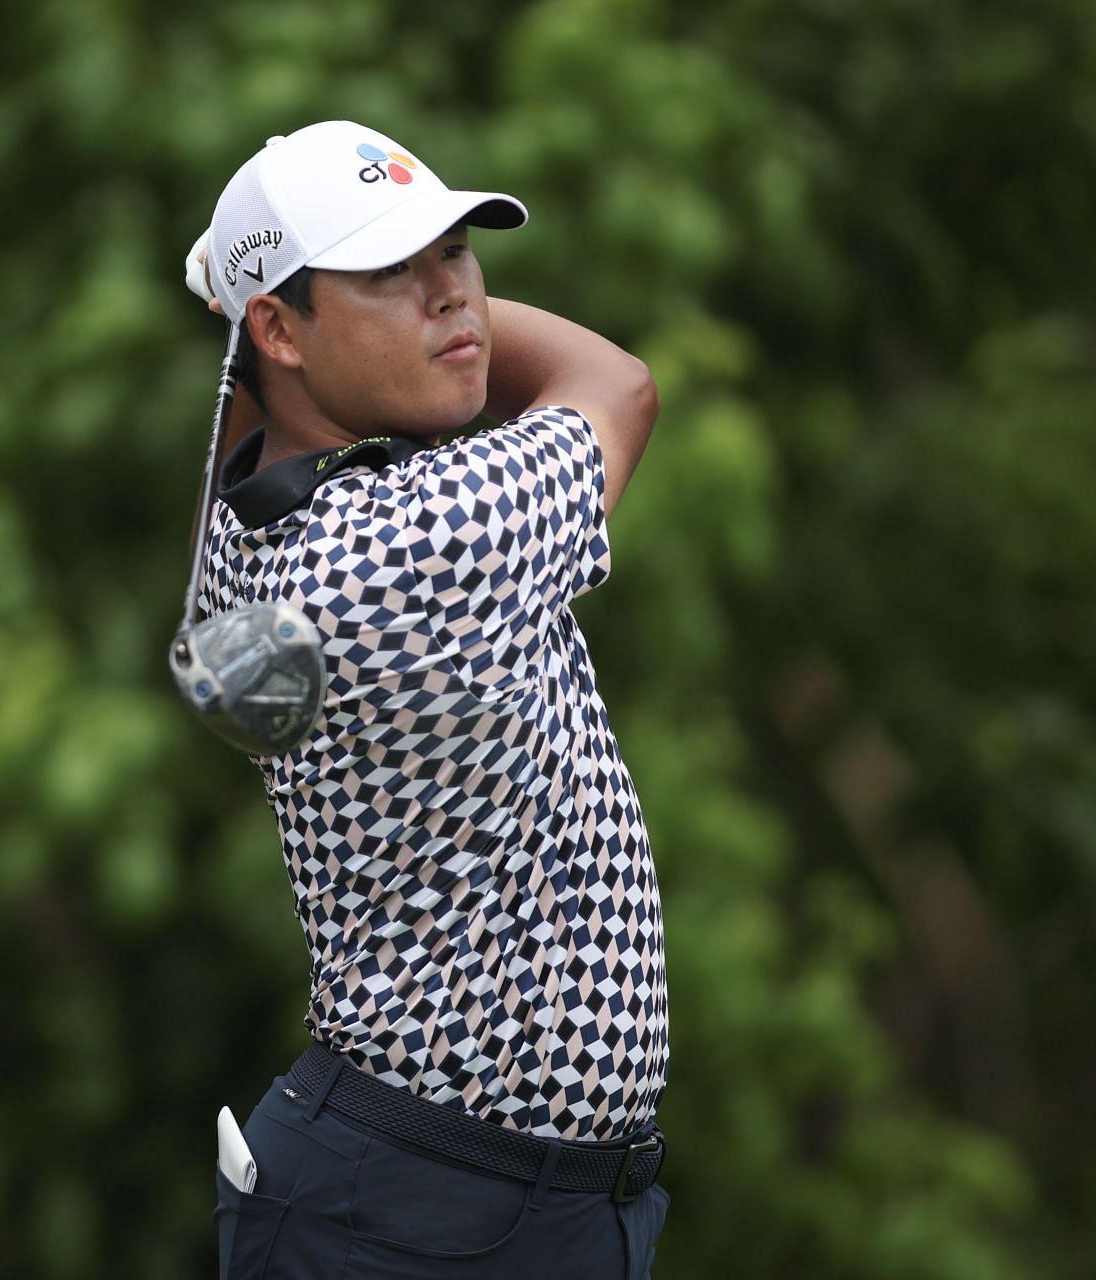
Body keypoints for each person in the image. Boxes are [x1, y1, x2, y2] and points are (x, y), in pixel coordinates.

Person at [186, 120, 669, 1279]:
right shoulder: (416, 537)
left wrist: (256, 310)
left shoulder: (251, 534)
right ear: (280, 328)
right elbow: (619, 382)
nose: (452, 295)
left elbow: (252, 409)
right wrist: (245, 302)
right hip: (429, 1213)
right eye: (389, 272)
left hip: (455, 1196)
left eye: (456, 251)